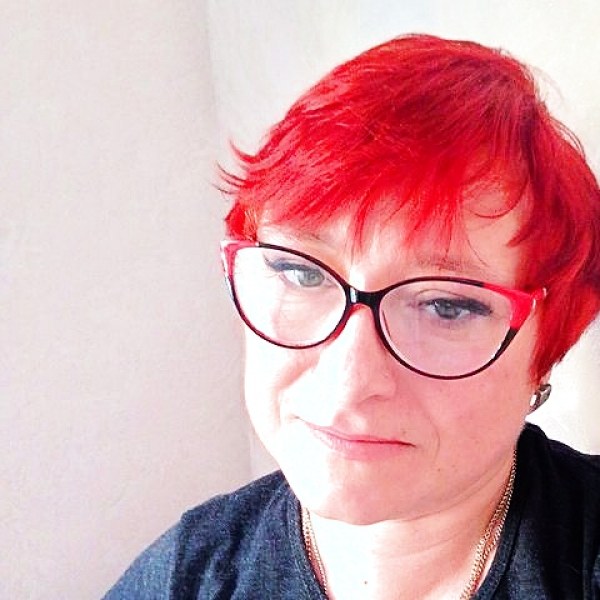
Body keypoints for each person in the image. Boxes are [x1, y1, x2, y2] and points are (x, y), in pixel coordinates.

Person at [104, 34, 600, 599]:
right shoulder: (184, 577)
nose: (350, 380)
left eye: (445, 306)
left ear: (547, 347)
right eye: (301, 272)